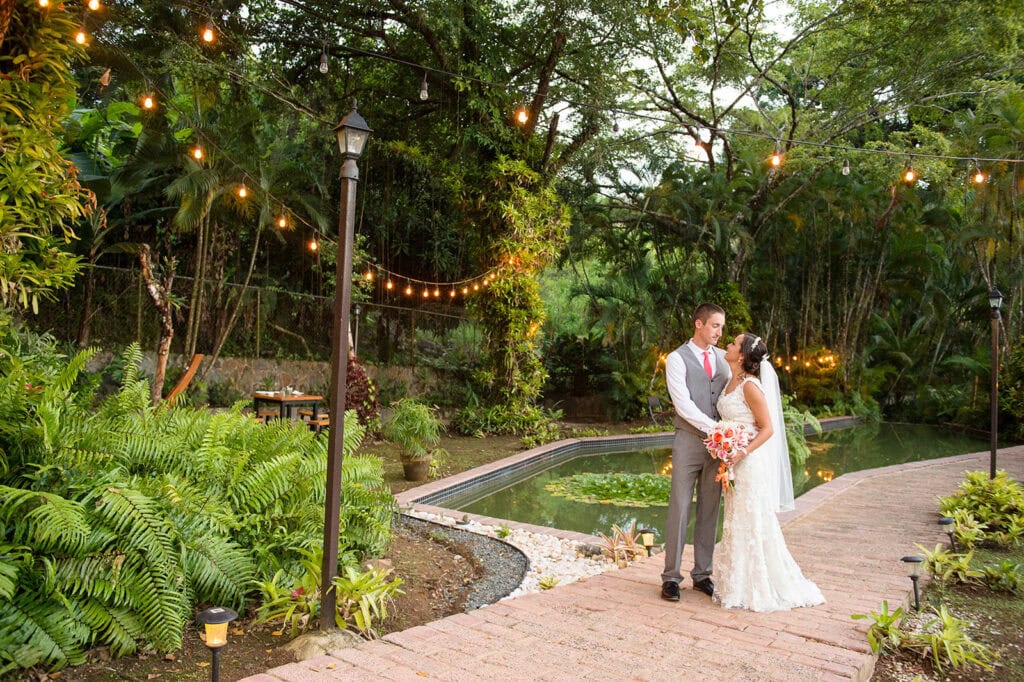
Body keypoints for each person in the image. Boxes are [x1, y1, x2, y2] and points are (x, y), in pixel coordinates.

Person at [713, 333, 825, 612]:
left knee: (751, 520)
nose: (727, 344)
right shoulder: (731, 380)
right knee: (735, 519)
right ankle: (735, 583)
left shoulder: (751, 386)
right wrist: (724, 444)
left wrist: (741, 450)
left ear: (741, 355)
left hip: (748, 463)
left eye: (733, 343)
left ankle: (758, 584)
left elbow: (768, 428)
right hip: (733, 461)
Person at [661, 303, 729, 601]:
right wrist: (715, 429)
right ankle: (671, 577)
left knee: (710, 508)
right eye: (715, 326)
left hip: (718, 447)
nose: (719, 332)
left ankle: (703, 574)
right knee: (679, 505)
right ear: (698, 324)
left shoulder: (725, 359)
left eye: (722, 327)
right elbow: (683, 405)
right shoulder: (676, 359)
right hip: (688, 440)